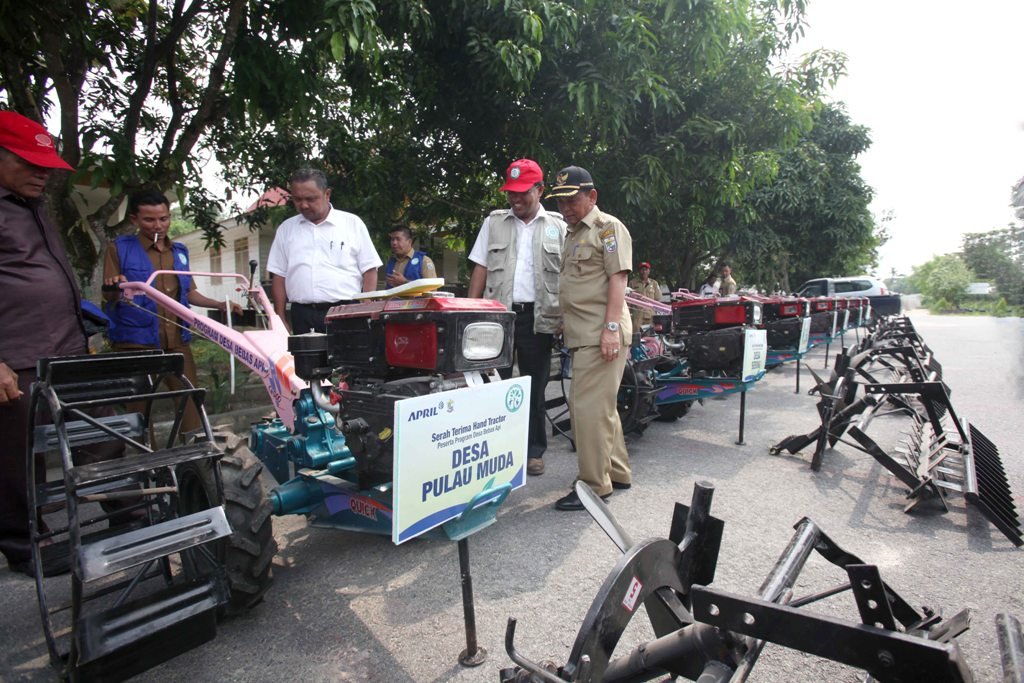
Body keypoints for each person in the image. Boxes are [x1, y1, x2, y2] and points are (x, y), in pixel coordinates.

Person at [0, 111, 117, 577]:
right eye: (29, 163)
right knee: (16, 459)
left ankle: (129, 515)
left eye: (45, 164)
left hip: (66, 348)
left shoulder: (34, 205)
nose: (42, 173)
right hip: (18, 356)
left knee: (104, 432)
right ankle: (27, 544)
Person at [102, 189, 243, 435]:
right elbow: (110, 293)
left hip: (177, 342)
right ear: (134, 219)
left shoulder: (179, 251)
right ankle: (148, 464)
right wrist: (116, 285)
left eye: (164, 218)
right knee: (139, 410)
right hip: (136, 344)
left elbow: (188, 293)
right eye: (149, 219)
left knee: (189, 401)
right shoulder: (119, 249)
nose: (158, 225)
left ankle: (194, 460)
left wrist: (219, 304)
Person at [468, 159, 565, 476]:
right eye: (511, 192)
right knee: (495, 386)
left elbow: (568, 276)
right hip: (497, 319)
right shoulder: (494, 223)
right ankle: (497, 450)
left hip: (539, 318)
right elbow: (480, 267)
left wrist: (565, 316)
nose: (515, 199)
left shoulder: (558, 227)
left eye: (523, 192)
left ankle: (533, 451)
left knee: (535, 387)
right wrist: (470, 311)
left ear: (540, 190)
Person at [546, 166, 633, 510]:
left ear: (591, 196)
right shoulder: (573, 233)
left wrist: (610, 329)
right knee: (601, 410)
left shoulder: (606, 228)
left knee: (586, 412)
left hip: (601, 335)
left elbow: (618, 279)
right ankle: (617, 472)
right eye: (560, 201)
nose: (565, 207)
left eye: (572, 199)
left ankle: (595, 486)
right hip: (584, 334)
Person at [268, 168, 382, 333]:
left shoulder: (351, 224)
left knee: (348, 359)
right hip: (302, 314)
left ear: (327, 194)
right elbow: (279, 275)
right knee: (305, 359)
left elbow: (369, 268)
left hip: (347, 313)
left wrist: (365, 307)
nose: (304, 205)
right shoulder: (287, 229)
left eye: (311, 199)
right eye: (297, 199)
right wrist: (279, 317)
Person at [628, 261, 661, 329]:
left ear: (649, 271)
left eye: (646, 269)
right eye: (642, 269)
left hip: (650, 316)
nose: (644, 272)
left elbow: (657, 300)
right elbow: (628, 301)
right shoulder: (632, 283)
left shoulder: (654, 283)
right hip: (637, 316)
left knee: (650, 336)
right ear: (639, 271)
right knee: (636, 336)